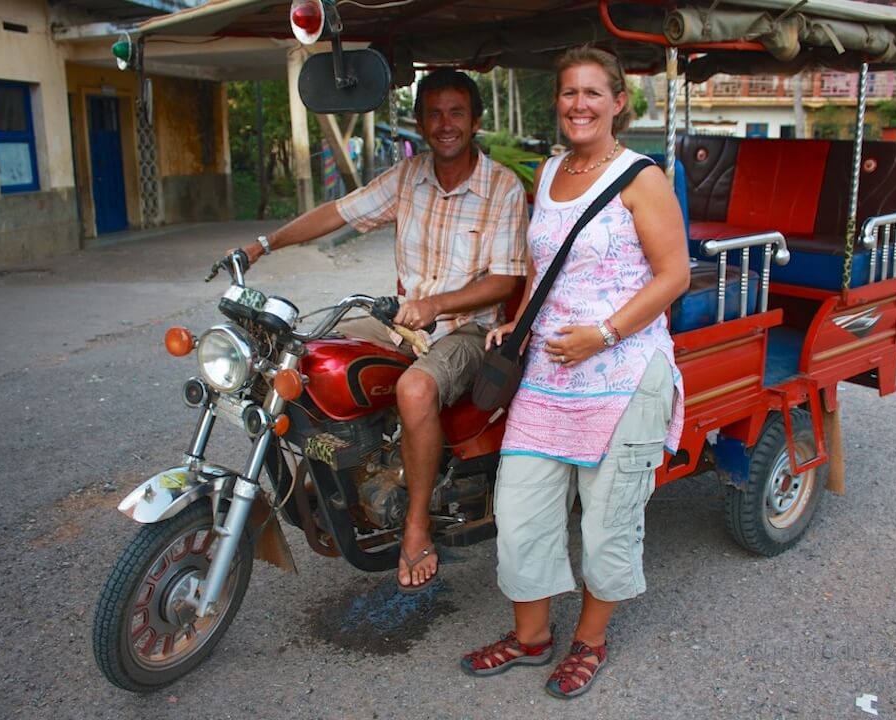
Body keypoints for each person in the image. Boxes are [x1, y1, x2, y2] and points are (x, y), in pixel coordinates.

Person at [236, 70, 528, 592]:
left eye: (456, 113)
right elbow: (338, 212)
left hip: (467, 330)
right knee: (306, 356)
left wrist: (436, 304)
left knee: (414, 390)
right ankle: (340, 469)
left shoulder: (501, 187)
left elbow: (507, 278)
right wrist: (264, 243)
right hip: (402, 321)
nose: (445, 124)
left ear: (475, 121)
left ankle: (415, 528)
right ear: (419, 122)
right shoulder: (406, 177)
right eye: (434, 113)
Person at [460, 47, 689, 698]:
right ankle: (530, 637)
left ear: (619, 102)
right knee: (521, 506)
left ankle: (589, 641)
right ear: (557, 103)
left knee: (607, 520)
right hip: (548, 374)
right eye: (568, 93)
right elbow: (546, 261)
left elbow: (674, 275)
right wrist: (524, 321)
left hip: (622, 371)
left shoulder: (641, 177)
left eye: (593, 93)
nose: (579, 104)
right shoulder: (552, 170)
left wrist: (604, 334)